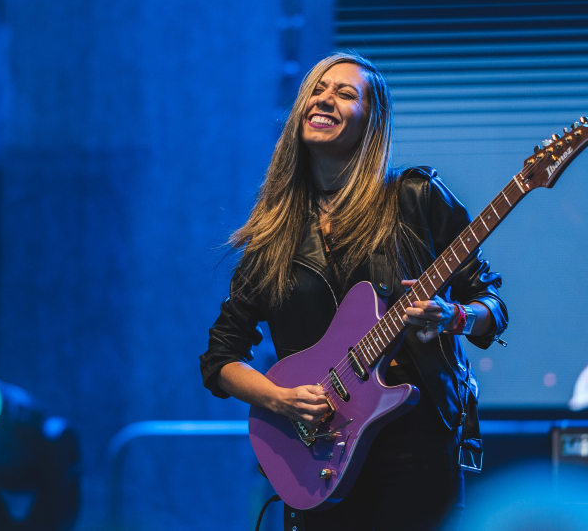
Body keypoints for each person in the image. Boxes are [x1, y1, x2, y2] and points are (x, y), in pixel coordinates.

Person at [200, 52, 508, 531]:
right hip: (317, 450)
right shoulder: (274, 235)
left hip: (415, 446)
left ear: (372, 120)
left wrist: (456, 317)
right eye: (317, 90)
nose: (325, 98)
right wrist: (280, 400)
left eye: (345, 93)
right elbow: (220, 359)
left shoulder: (415, 198)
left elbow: (491, 302)